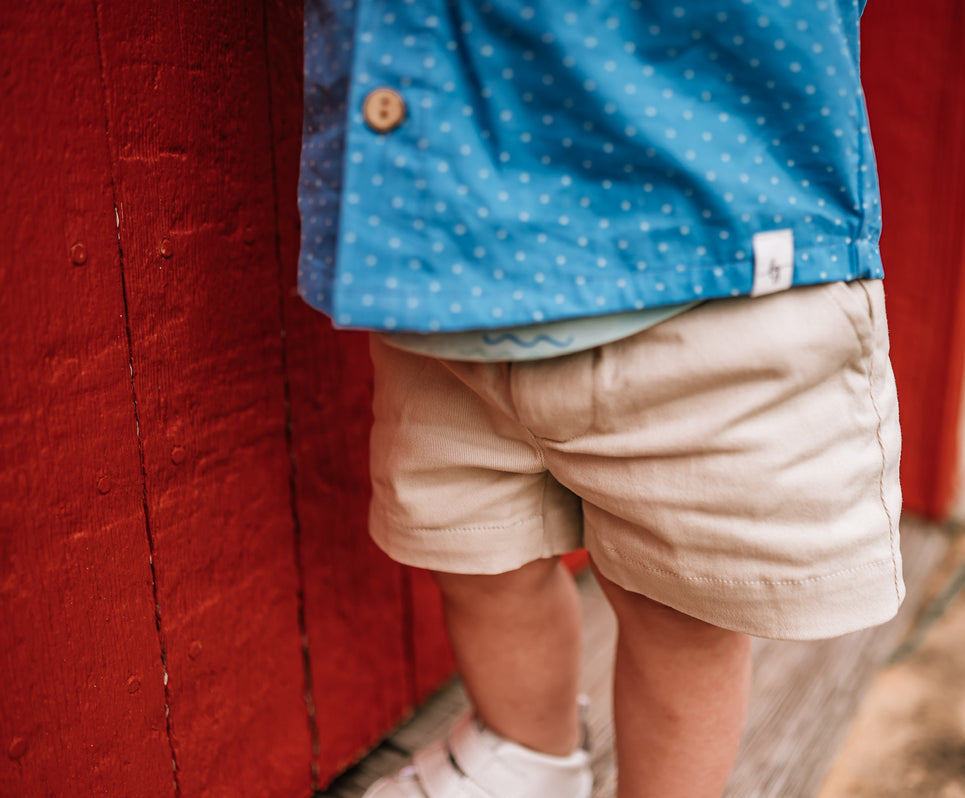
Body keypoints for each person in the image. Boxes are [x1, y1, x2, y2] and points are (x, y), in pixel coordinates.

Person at [298, 1, 903, 796]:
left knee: (679, 614)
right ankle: (526, 756)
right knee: (474, 552)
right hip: (449, 273)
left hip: (706, 271)